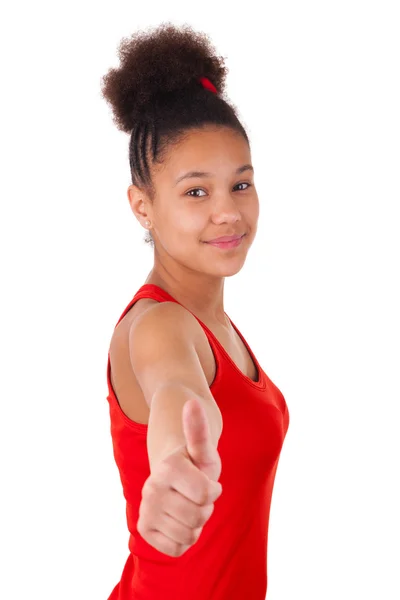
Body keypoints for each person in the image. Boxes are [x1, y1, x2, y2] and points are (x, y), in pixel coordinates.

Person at [101, 21, 290, 600]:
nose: (228, 212)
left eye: (241, 184)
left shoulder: (217, 326)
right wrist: (175, 468)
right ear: (142, 206)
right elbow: (176, 394)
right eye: (196, 192)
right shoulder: (158, 324)